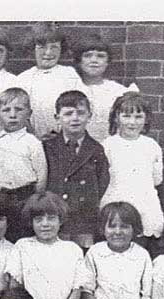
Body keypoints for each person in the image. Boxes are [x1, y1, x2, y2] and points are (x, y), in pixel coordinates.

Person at [43, 89, 110, 249]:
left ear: (89, 116)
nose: (75, 118)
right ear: (57, 118)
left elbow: (102, 182)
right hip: (56, 216)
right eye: (68, 113)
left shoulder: (96, 149)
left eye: (80, 113)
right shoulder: (48, 147)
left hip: (84, 219)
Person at [100, 92, 164, 249]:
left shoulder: (151, 146)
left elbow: (157, 180)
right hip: (114, 207)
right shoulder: (107, 146)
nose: (132, 122)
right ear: (116, 117)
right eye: (126, 116)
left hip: (145, 208)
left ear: (146, 119)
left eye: (138, 117)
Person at [0, 87, 47, 241]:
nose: (12, 115)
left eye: (19, 110)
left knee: (23, 235)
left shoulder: (32, 142)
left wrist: (35, 199)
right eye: (6, 110)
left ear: (29, 113)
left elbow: (41, 173)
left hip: (24, 197)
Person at [14, 22, 84, 138]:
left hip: (64, 139)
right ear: (33, 49)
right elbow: (18, 113)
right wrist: (33, 136)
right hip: (32, 139)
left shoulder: (69, 74)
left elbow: (80, 106)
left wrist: (63, 134)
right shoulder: (23, 79)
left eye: (54, 47)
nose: (48, 52)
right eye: (42, 47)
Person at [72, 32, 137, 142]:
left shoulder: (118, 92)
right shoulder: (70, 87)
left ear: (107, 62)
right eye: (88, 55)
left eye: (100, 56)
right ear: (79, 61)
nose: (94, 60)